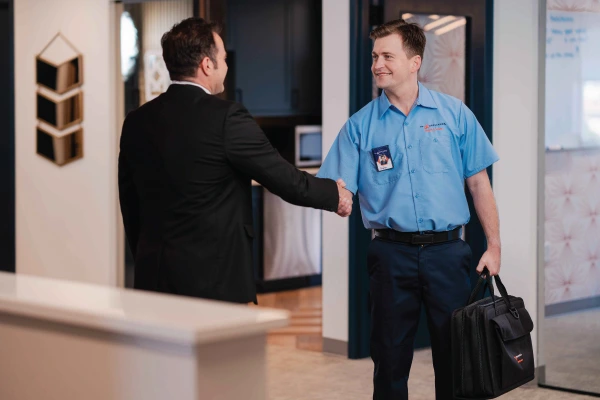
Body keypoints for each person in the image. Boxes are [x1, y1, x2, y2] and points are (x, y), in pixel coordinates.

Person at [317, 19, 501, 399]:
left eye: (387, 56)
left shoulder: (454, 115)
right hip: (390, 254)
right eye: (374, 56)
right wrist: (340, 196)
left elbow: (479, 183)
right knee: (389, 359)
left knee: (456, 359)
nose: (377, 64)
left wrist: (494, 246)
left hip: (448, 253)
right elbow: (338, 186)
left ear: (414, 62)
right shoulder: (359, 126)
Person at [118, 17, 353, 304]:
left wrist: (145, 253)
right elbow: (282, 178)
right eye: (224, 59)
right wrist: (334, 194)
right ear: (207, 64)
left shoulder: (136, 121)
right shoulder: (227, 117)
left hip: (153, 279)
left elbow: (129, 203)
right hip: (214, 282)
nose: (226, 67)